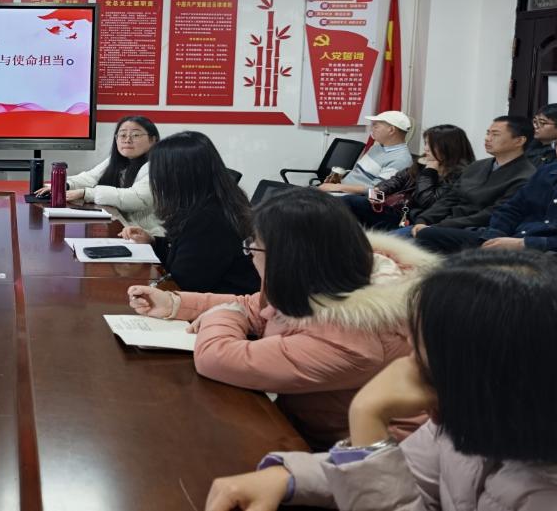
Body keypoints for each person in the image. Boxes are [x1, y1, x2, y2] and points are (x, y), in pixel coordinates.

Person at [204, 250, 557, 511]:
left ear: (490, 378)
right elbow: (404, 477)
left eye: (422, 356)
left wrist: (367, 414)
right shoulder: (469, 421)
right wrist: (289, 477)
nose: (406, 364)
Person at [127, 189, 437, 449]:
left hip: (357, 459)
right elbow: (255, 307)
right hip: (303, 428)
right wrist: (175, 303)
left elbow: (216, 358)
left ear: (288, 258)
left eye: (254, 247)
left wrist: (221, 316)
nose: (250, 254)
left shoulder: (352, 334)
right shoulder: (328, 277)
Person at [416, 118, 557, 255]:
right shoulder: (547, 173)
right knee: (428, 236)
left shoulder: (527, 172)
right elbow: (511, 208)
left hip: (548, 252)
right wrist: (495, 235)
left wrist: (524, 244)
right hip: (508, 237)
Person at [119, 131, 259, 294]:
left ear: (178, 176)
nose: (155, 179)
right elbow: (188, 252)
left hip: (218, 304)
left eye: (158, 172)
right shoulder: (217, 201)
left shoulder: (208, 220)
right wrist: (154, 242)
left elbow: (183, 285)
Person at [405, 115, 535, 240]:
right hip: (440, 225)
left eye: (495, 134)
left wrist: (437, 227)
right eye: (488, 133)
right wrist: (424, 219)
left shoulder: (525, 176)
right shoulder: (477, 166)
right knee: (396, 239)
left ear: (519, 141)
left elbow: (491, 214)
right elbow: (449, 199)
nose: (487, 138)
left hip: (472, 232)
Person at [37, 115, 164, 236]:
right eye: (122, 135)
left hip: (147, 234)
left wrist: (86, 193)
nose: (127, 140)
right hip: (122, 226)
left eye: (135, 135)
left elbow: (136, 198)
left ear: (153, 140)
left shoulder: (157, 165)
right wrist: (64, 185)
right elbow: (90, 177)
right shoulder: (116, 161)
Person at [343, 125, 473, 230]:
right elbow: (397, 180)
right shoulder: (423, 162)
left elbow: (426, 202)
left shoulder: (460, 174)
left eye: (430, 145)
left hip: (415, 219)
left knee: (352, 201)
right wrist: (378, 191)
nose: (426, 149)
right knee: (349, 201)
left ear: (448, 147)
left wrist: (429, 172)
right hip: (398, 209)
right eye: (425, 143)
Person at [318, 111, 413, 195]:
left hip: (355, 198)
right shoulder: (377, 147)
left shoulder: (401, 159)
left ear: (391, 130)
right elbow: (359, 173)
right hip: (343, 189)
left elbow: (376, 190)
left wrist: (337, 188)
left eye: (376, 126)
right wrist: (338, 179)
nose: (372, 129)